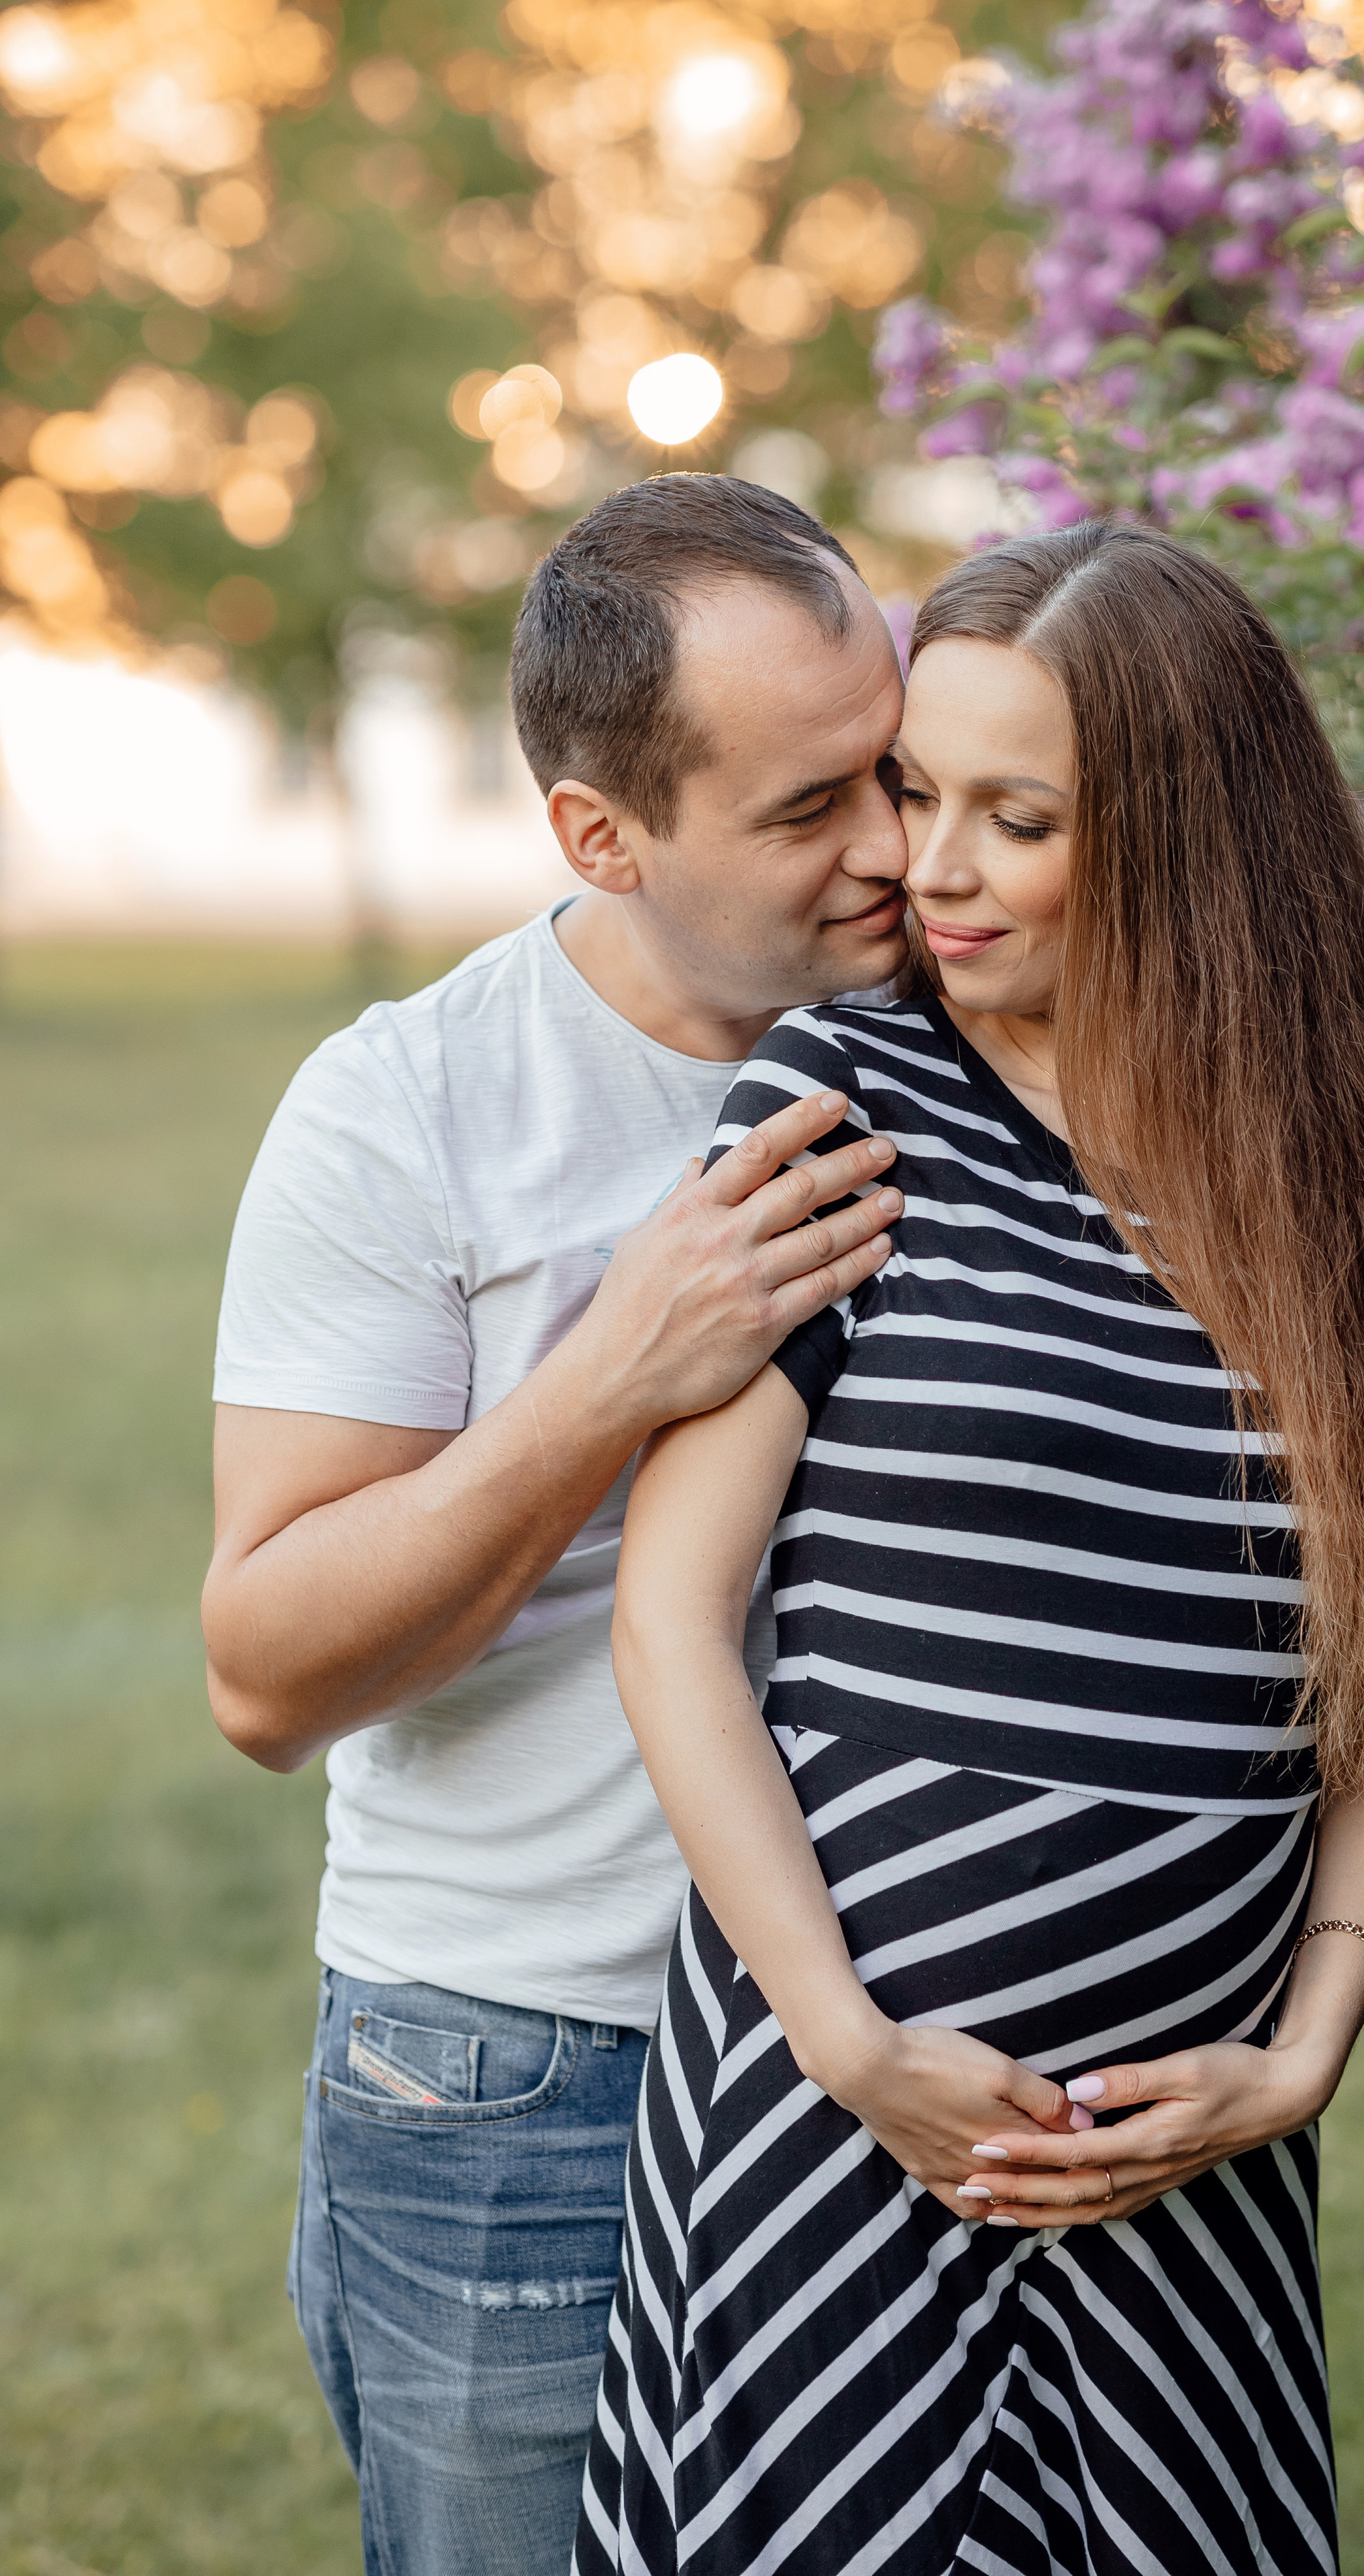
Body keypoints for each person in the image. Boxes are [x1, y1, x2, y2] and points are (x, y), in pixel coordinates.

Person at [579, 521, 1364, 2575]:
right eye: (912, 794)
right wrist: (852, 2051)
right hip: (837, 2154)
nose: (925, 870)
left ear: (1191, 839)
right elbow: (674, 1625)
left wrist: (1303, 2055)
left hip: (1184, 2204)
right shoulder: (846, 1107)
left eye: (1009, 819)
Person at [200, 475, 915, 2576]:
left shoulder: (963, 1031)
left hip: (909, 2047)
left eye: (893, 768)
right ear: (602, 836)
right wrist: (619, 1370)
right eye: (808, 811)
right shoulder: (406, 1107)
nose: (888, 846)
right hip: (532, 2085)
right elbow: (263, 1671)